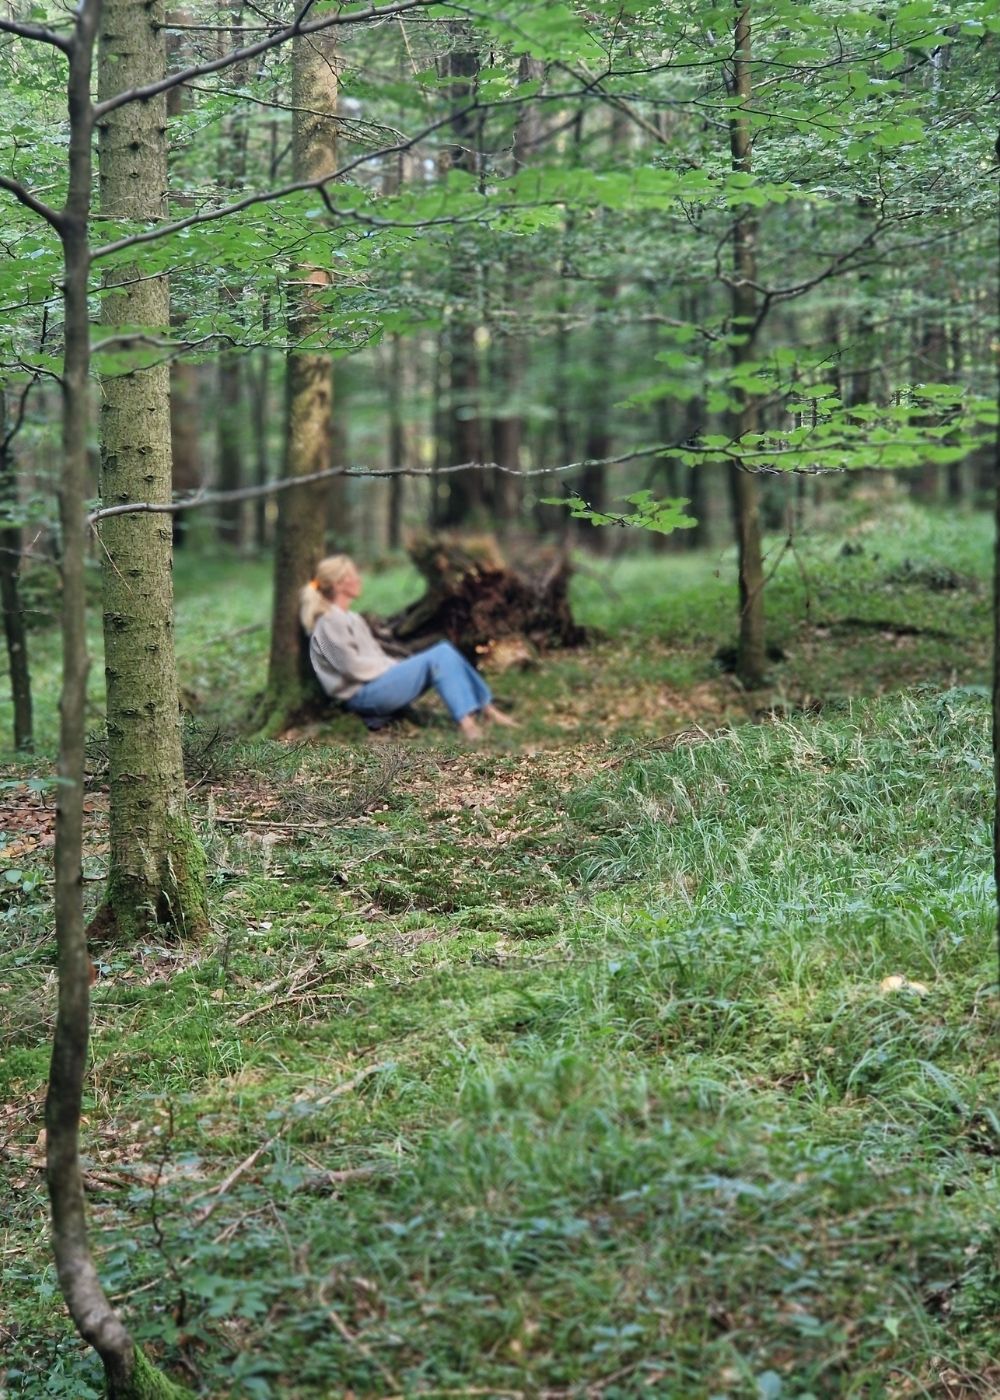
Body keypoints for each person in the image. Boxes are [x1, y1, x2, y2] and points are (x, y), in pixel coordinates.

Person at [300, 555, 516, 741]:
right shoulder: (328, 622)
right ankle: (467, 724)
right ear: (339, 584)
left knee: (445, 651)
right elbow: (352, 668)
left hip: (376, 685)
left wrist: (397, 668)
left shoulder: (351, 618)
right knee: (440, 654)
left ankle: (487, 708)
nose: (359, 579)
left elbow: (373, 656)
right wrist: (396, 668)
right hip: (362, 696)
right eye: (353, 575)